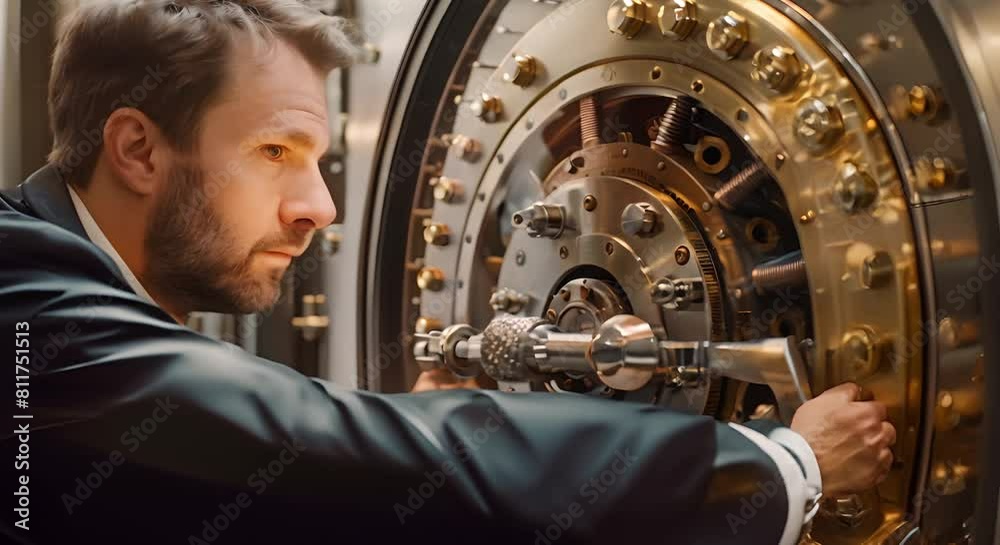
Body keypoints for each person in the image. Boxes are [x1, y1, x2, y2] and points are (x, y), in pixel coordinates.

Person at [0, 2, 895, 544]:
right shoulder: (35, 315)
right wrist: (782, 465)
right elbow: (307, 443)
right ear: (136, 150)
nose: (319, 207)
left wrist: (398, 438)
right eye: (275, 149)